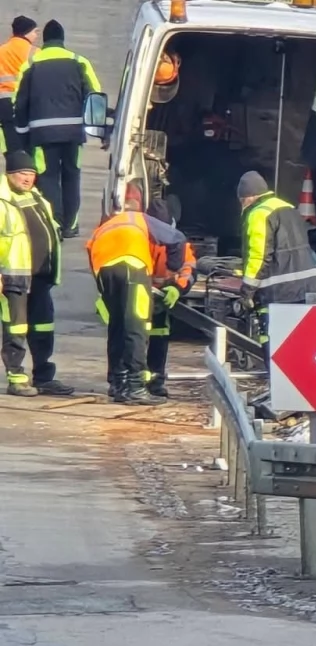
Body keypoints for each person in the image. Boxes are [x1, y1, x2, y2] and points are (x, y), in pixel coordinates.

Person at [86, 204, 187, 405]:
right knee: (136, 328)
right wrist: (172, 270)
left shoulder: (114, 223)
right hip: (133, 266)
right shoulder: (145, 221)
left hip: (104, 269)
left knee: (117, 326)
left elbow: (89, 248)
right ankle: (136, 386)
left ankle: (118, 383)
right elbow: (178, 238)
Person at [13, 19, 101, 238]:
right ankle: (70, 225)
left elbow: (19, 101)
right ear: (62, 39)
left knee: (48, 177)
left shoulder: (31, 64)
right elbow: (95, 95)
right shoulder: (79, 61)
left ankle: (55, 223)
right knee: (72, 175)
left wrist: (22, 133)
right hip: (73, 133)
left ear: (45, 41)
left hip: (42, 134)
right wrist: (97, 128)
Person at [0, 151, 71, 397]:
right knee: (16, 329)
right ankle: (17, 378)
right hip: (14, 279)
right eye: (22, 174)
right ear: (10, 174)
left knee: (43, 328)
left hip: (41, 277)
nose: (27, 178)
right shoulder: (2, 201)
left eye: (31, 174)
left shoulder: (37, 197)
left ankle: (44, 377)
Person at [235, 171, 316, 355]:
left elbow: (259, 255)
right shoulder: (288, 208)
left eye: (241, 201)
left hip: (278, 291)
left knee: (271, 337)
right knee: (298, 340)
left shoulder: (258, 214)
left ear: (247, 197)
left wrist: (247, 291)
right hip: (306, 286)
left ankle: (274, 380)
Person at [146, 197, 194, 398]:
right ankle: (127, 380)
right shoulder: (141, 238)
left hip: (162, 296)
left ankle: (155, 382)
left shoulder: (177, 240)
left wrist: (177, 288)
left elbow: (188, 268)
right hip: (139, 293)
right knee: (131, 337)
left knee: (159, 335)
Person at [0, 17, 37, 154]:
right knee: (27, 147)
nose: (36, 36)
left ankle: (13, 170)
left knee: (11, 147)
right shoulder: (34, 53)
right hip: (24, 104)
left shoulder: (1, 50)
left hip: (3, 104)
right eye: (35, 32)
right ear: (26, 32)